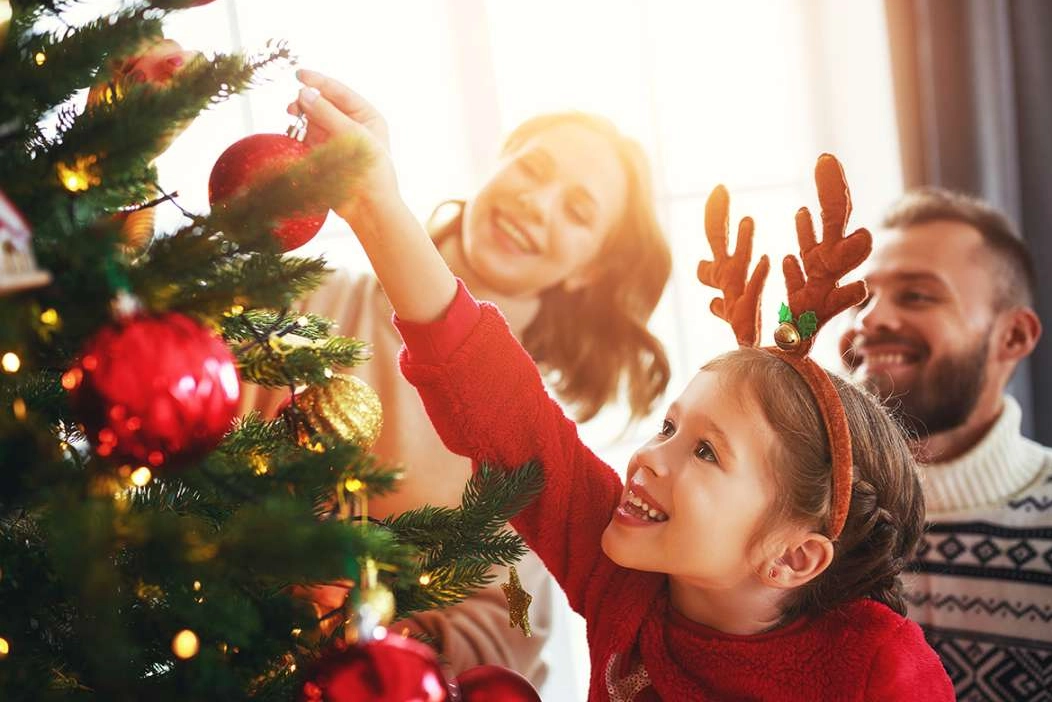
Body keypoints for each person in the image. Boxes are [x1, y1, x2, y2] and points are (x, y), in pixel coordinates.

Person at [292, 74, 953, 700]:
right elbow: (493, 397)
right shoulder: (624, 578)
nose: (646, 457)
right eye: (670, 428)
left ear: (791, 557)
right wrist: (377, 205)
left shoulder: (874, 665)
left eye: (704, 452)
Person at [244, 70, 672, 687]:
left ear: (588, 271)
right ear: (495, 166)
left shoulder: (528, 446)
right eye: (532, 169)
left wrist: (371, 637)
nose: (536, 202)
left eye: (577, 211)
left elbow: (508, 633)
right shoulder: (319, 301)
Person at [839, 188, 1052, 700]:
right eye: (861, 298)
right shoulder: (810, 519)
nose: (868, 320)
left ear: (1013, 336)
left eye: (917, 295)